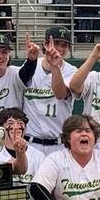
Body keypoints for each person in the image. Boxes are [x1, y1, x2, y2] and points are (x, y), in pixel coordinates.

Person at [21, 26, 77, 157]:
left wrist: (55, 67)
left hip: (59, 145)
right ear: (45, 45)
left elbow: (61, 94)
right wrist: (30, 60)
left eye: (64, 45)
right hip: (30, 143)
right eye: (55, 43)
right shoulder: (31, 65)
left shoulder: (72, 71)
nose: (60, 49)